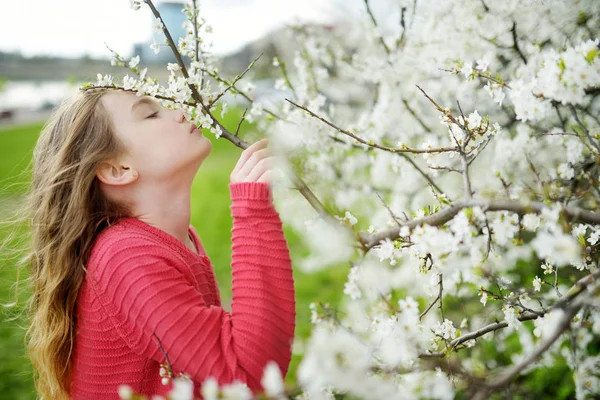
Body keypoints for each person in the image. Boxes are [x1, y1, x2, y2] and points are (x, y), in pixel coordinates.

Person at [22, 88, 296, 399]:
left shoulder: (176, 239)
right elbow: (248, 375)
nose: (181, 112)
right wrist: (253, 212)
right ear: (118, 169)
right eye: (151, 114)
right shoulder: (127, 257)